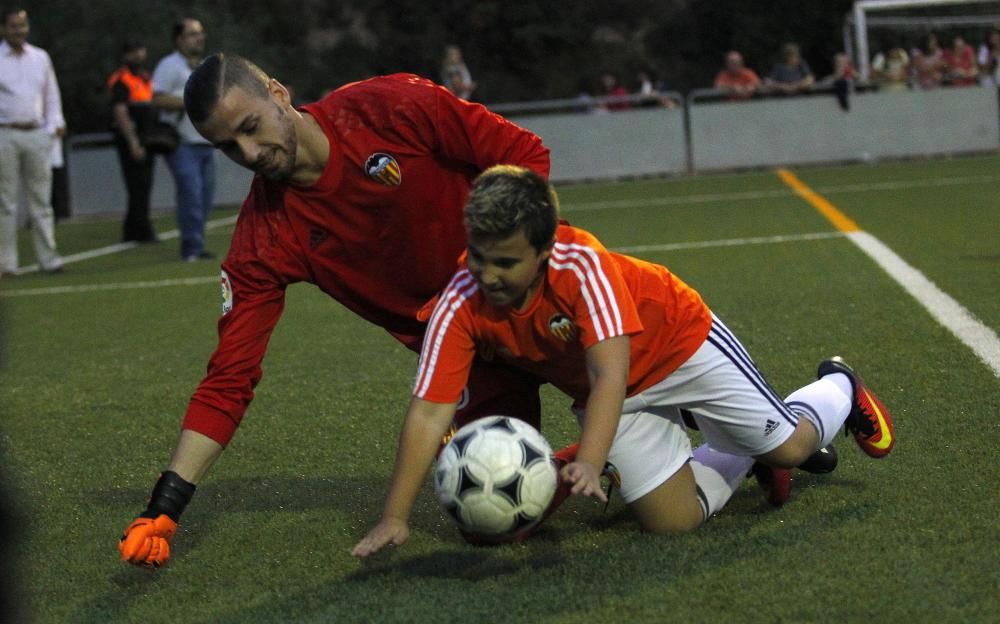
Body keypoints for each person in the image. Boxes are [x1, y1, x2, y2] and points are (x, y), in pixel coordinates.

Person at [117, 53, 552, 567]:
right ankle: (585, 461)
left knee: (658, 476)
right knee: (494, 522)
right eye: (227, 147)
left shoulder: (389, 106)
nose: (249, 152)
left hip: (542, 300)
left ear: (279, 93)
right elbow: (228, 379)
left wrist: (490, 275)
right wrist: (166, 506)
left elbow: (525, 155)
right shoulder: (265, 237)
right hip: (467, 358)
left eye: (251, 128)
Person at [352, 165, 894, 557]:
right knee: (674, 525)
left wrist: (590, 459)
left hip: (679, 346)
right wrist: (395, 516)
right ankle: (748, 459)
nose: (487, 275)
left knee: (797, 447)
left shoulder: (581, 261)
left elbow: (608, 370)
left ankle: (840, 386)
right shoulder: (459, 302)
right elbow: (428, 411)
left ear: (544, 252)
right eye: (477, 256)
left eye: (506, 262)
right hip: (614, 392)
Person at [0, 7, 65, 277]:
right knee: (6, 202)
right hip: (6, 133)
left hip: (37, 132)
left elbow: (51, 95)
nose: (20, 31)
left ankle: (48, 259)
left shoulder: (40, 57)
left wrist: (54, 125)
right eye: (14, 26)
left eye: (23, 26)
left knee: (41, 200)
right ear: (4, 28)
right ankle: (6, 263)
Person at [152, 18, 215, 261]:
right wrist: (188, 99)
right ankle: (190, 248)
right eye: (192, 34)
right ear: (179, 39)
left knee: (205, 197)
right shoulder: (169, 65)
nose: (198, 38)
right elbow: (156, 98)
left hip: (205, 141)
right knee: (191, 193)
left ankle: (197, 245)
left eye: (200, 33)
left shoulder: (204, 66)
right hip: (181, 142)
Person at [107, 41, 158, 243]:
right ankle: (140, 230)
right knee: (137, 184)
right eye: (133, 51)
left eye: (140, 49)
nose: (138, 55)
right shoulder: (121, 79)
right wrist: (133, 142)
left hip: (147, 136)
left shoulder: (145, 77)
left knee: (143, 185)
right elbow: (120, 111)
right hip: (131, 137)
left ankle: (135, 229)